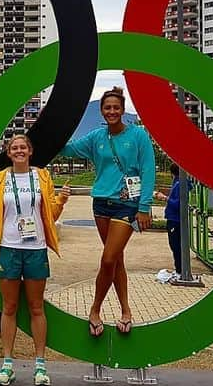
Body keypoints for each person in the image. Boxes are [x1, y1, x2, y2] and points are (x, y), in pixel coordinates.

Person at [0, 133, 70, 386]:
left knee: (37, 307)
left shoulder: (42, 176)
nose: (18, 151)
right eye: (14, 148)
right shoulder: (0, 178)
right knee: (9, 307)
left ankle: (40, 365)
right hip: (9, 247)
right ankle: (7, 364)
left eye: (23, 147)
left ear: (30, 151)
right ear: (9, 153)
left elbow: (50, 212)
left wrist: (60, 200)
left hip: (36, 248)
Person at [59, 87, 155, 337]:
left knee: (109, 259)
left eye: (116, 107)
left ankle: (95, 309)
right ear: (102, 111)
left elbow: (148, 171)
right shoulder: (96, 137)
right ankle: (125, 310)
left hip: (127, 205)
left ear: (123, 110)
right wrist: (51, 132)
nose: (112, 111)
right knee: (117, 259)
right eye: (107, 108)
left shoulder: (138, 136)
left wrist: (144, 208)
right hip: (101, 203)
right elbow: (68, 150)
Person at [163, 162, 183, 277]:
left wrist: (165, 198)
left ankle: (180, 270)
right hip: (174, 218)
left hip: (174, 219)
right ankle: (179, 268)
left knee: (175, 245)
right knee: (176, 245)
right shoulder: (178, 183)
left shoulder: (179, 185)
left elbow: (178, 204)